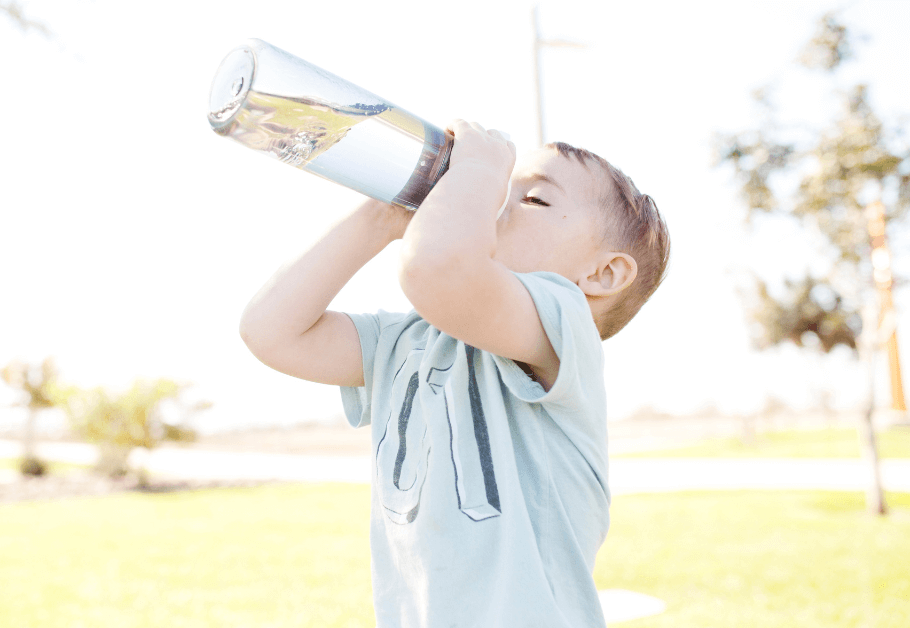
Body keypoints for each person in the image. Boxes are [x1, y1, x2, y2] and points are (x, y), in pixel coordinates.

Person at [239, 120, 670, 627]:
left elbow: (439, 267)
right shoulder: (410, 341)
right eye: (497, 188)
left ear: (602, 275)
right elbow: (270, 330)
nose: (493, 202)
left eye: (531, 199)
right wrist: (382, 215)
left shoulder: (563, 323)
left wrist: (480, 169)